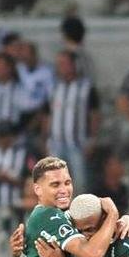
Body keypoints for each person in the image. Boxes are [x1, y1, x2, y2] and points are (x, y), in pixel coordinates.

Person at [45, 50, 99, 190]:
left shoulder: (86, 87)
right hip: (56, 143)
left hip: (78, 143)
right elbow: (48, 114)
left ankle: (79, 211)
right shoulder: (54, 87)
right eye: (59, 64)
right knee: (54, 183)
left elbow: (94, 114)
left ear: (74, 65)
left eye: (64, 63)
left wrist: (92, 139)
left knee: (80, 183)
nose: (61, 67)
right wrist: (46, 138)